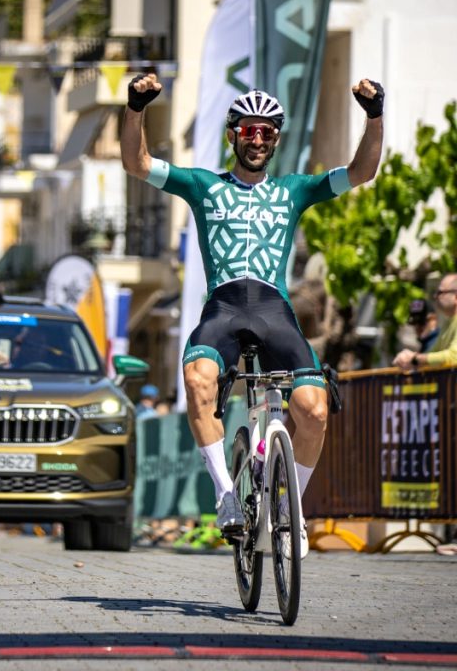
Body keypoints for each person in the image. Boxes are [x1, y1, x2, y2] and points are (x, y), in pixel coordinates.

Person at [120, 73, 385, 557]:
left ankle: (289, 508)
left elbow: (362, 171)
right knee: (198, 381)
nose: (257, 139)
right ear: (233, 135)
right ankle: (226, 494)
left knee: (314, 410)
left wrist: (374, 116)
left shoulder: (294, 190)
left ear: (276, 139)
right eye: (248, 130)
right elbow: (135, 163)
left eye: (266, 132)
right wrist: (136, 107)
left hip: (272, 308)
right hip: (223, 307)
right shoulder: (203, 185)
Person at [393, 274, 457, 372]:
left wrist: (414, 359)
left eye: (440, 292)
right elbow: (431, 355)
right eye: (414, 323)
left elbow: (454, 357)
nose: (435, 297)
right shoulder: (449, 322)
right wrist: (412, 359)